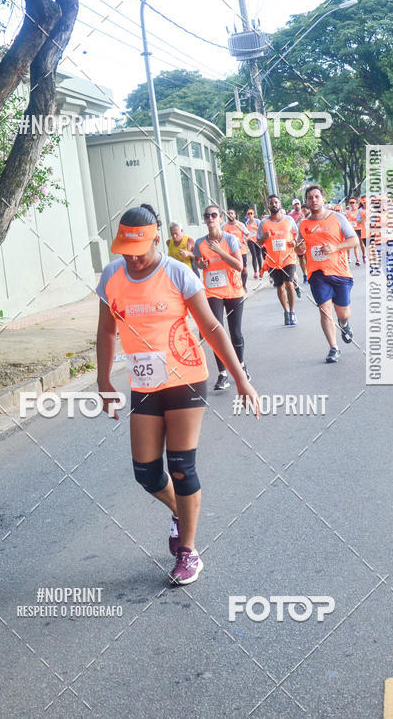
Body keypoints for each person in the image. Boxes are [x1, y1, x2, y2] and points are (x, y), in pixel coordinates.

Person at [96, 204, 258, 586]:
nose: (132, 259)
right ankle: (179, 513)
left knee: (182, 466)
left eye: (139, 250)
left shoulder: (177, 273)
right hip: (145, 384)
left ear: (156, 240)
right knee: (146, 473)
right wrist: (104, 381)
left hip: (185, 378)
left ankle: (188, 552)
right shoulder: (111, 278)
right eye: (125, 251)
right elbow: (106, 332)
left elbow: (213, 327)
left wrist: (240, 377)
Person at [295, 185, 359, 363]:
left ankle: (344, 324)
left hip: (340, 271)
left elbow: (354, 240)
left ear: (323, 199)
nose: (313, 200)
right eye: (310, 198)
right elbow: (300, 248)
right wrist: (299, 249)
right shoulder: (304, 224)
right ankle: (333, 347)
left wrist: (335, 247)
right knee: (324, 310)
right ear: (306, 201)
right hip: (317, 273)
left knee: (343, 313)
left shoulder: (337, 218)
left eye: (316, 196)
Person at [195, 206, 251, 389]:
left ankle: (241, 366)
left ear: (220, 218)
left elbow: (238, 265)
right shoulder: (199, 243)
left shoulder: (230, 239)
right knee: (215, 333)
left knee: (235, 332)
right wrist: (202, 264)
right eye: (207, 216)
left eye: (214, 215)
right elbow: (198, 262)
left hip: (234, 291)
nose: (210, 218)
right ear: (204, 220)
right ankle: (222, 373)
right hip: (212, 292)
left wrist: (220, 251)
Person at [258, 194, 299, 325]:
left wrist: (294, 242)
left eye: (276, 202)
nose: (274, 204)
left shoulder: (288, 220)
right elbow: (259, 242)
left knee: (289, 284)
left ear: (280, 204)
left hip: (288, 258)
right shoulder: (264, 223)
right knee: (280, 287)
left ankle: (292, 312)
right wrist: (265, 237)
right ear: (268, 206)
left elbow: (296, 235)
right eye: (271, 203)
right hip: (273, 261)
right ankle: (286, 312)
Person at [224, 208, 249, 290]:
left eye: (232, 213)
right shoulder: (223, 226)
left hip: (241, 250)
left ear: (235, 215)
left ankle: (244, 285)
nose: (230, 215)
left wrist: (246, 239)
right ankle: (232, 286)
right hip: (229, 252)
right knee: (230, 269)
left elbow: (247, 234)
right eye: (228, 213)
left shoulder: (240, 225)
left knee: (244, 269)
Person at [244, 208, 263, 278]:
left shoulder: (257, 221)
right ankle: (255, 272)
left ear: (253, 214)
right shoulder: (246, 223)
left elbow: (261, 229)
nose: (250, 215)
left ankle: (261, 270)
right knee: (254, 255)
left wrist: (254, 227)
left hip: (257, 240)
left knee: (259, 255)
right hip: (250, 240)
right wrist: (245, 238)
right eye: (248, 214)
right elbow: (246, 232)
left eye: (251, 213)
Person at [345, 199, 362, 266]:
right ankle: (348, 257)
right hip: (351, 230)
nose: (352, 204)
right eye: (350, 203)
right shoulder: (348, 212)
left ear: (356, 203)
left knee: (356, 245)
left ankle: (357, 259)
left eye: (353, 203)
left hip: (358, 229)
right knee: (349, 245)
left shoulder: (358, 211)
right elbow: (347, 220)